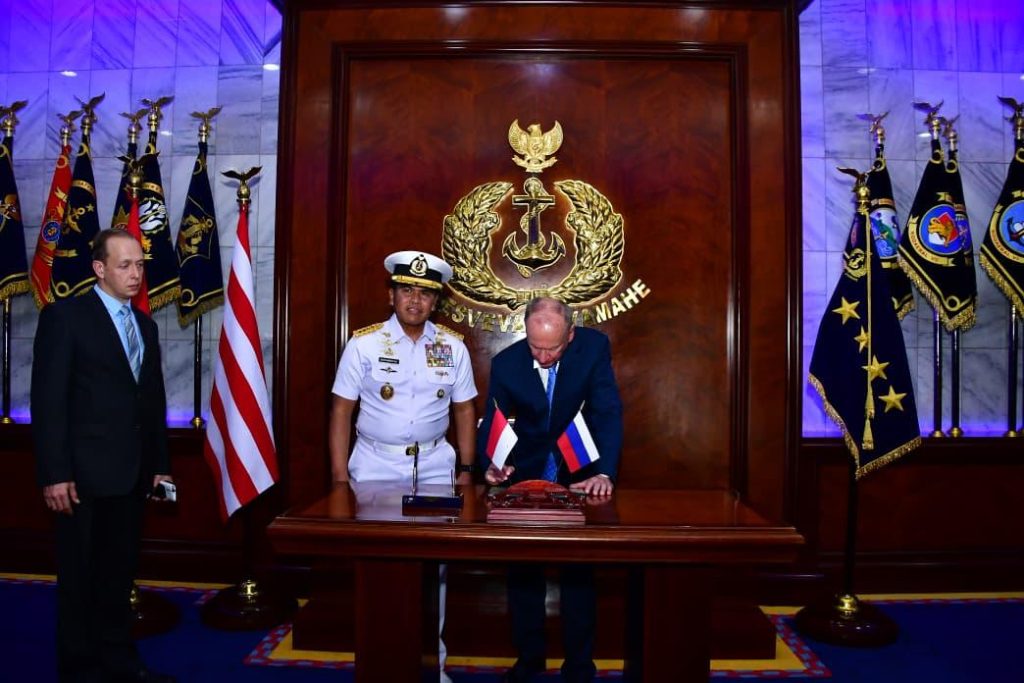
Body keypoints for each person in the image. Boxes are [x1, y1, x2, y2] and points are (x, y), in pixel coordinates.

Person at [31, 229, 175, 683]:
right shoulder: (65, 317)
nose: (136, 274)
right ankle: (80, 671)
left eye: (140, 265)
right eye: (125, 265)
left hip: (131, 477)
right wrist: (55, 473)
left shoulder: (145, 326)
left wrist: (160, 467)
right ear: (99, 269)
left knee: (118, 577)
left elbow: (151, 401)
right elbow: (48, 402)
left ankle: (120, 665)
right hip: (80, 479)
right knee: (79, 580)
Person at [328, 250, 477, 682]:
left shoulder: (452, 347)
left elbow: (465, 410)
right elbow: (341, 412)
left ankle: (435, 666)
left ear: (436, 301)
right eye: (406, 290)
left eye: (425, 293)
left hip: (433, 468)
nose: (415, 300)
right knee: (374, 565)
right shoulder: (364, 344)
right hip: (375, 466)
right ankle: (376, 662)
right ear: (391, 295)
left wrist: (467, 471)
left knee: (436, 568)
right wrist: (339, 480)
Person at [476, 297, 623, 683]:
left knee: (579, 577)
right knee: (523, 576)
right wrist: (490, 464)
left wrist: (605, 473)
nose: (542, 357)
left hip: (579, 474)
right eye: (534, 347)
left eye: (552, 349)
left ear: (570, 334)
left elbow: (607, 411)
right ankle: (529, 661)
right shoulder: (507, 363)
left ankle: (579, 667)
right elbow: (495, 420)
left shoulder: (593, 349)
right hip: (527, 477)